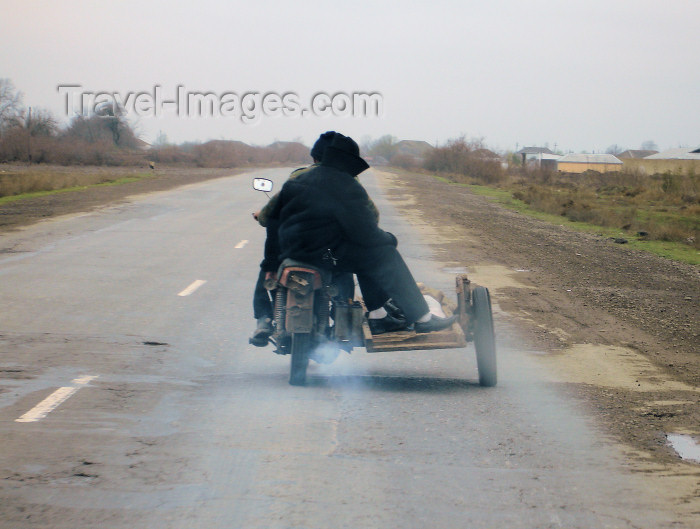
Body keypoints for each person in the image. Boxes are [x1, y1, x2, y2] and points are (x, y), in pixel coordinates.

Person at [265, 131, 456, 334]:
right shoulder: (346, 185)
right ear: (347, 162)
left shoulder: (297, 180)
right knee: (382, 252)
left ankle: (380, 316)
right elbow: (365, 234)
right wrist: (389, 240)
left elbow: (273, 223)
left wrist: (270, 262)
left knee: (366, 254)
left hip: (292, 253)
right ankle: (422, 318)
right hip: (325, 256)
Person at [249, 132, 386, 346]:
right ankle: (343, 319)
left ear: (314, 158)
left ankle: (264, 320)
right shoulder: (350, 181)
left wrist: (263, 215)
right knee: (345, 272)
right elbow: (372, 218)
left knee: (267, 269)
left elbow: (270, 213)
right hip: (331, 254)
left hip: (293, 251)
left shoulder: (297, 177)